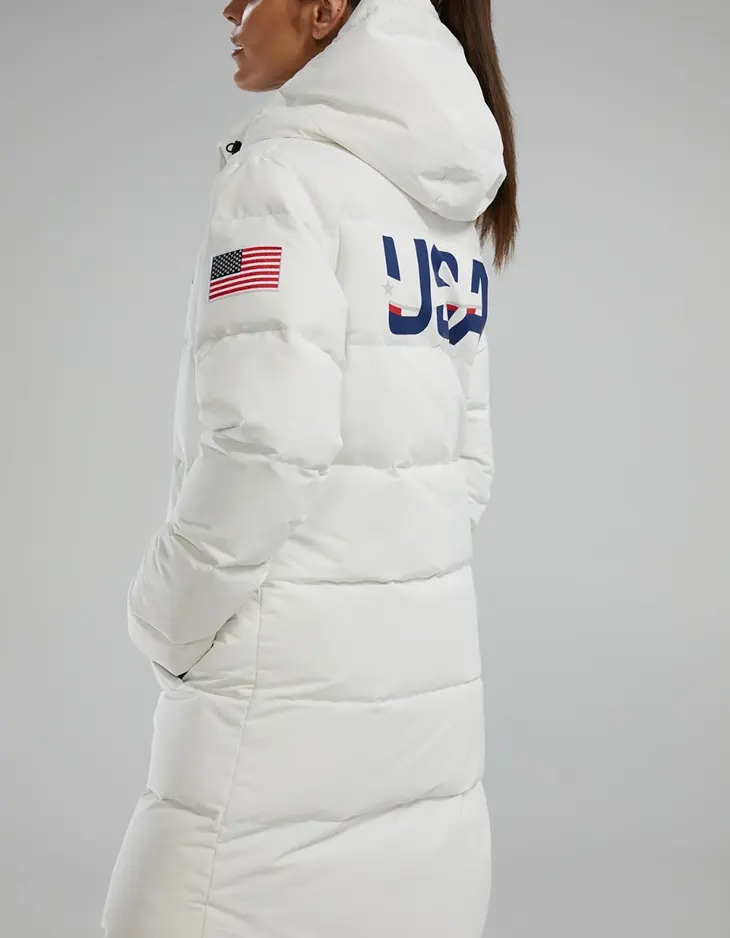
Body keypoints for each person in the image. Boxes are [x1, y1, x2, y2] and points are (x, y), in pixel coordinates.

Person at [101, 0, 518, 934]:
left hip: (271, 721)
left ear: (328, 9)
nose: (229, 6)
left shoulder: (280, 176)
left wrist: (164, 619)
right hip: (424, 735)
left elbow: (264, 443)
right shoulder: (444, 193)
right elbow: (468, 467)